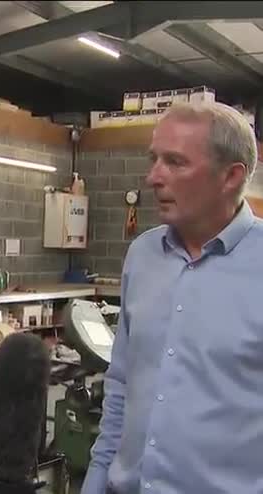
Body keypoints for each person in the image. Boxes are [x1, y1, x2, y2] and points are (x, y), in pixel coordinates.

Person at [81, 101, 263, 494]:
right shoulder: (142, 256)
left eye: (175, 163)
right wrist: (96, 480)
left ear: (231, 176)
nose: (153, 177)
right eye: (154, 159)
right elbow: (121, 384)